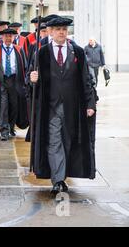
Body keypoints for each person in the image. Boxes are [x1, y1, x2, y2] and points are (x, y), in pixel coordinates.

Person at [29, 16, 96, 195]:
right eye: (57, 29)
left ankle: (62, 174)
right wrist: (32, 79)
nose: (61, 32)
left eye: (64, 29)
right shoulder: (41, 53)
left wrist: (90, 103)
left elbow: (86, 79)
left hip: (73, 108)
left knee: (69, 142)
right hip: (50, 107)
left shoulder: (78, 52)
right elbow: (31, 81)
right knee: (54, 142)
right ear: (50, 32)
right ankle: (58, 180)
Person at [0, 28, 28, 141]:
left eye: (11, 36)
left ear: (14, 37)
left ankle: (11, 126)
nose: (8, 38)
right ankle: (4, 130)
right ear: (2, 37)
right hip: (2, 81)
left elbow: (25, 67)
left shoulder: (19, 50)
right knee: (3, 106)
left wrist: (26, 82)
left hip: (15, 80)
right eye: (6, 36)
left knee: (14, 106)